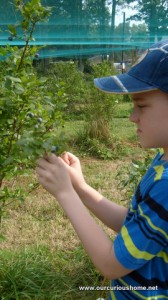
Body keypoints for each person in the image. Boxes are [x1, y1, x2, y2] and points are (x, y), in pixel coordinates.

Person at [36, 39, 168, 299]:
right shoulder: (162, 160)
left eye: (141, 105)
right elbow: (135, 226)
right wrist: (81, 188)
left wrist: (66, 194)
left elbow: (110, 265)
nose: (132, 116)